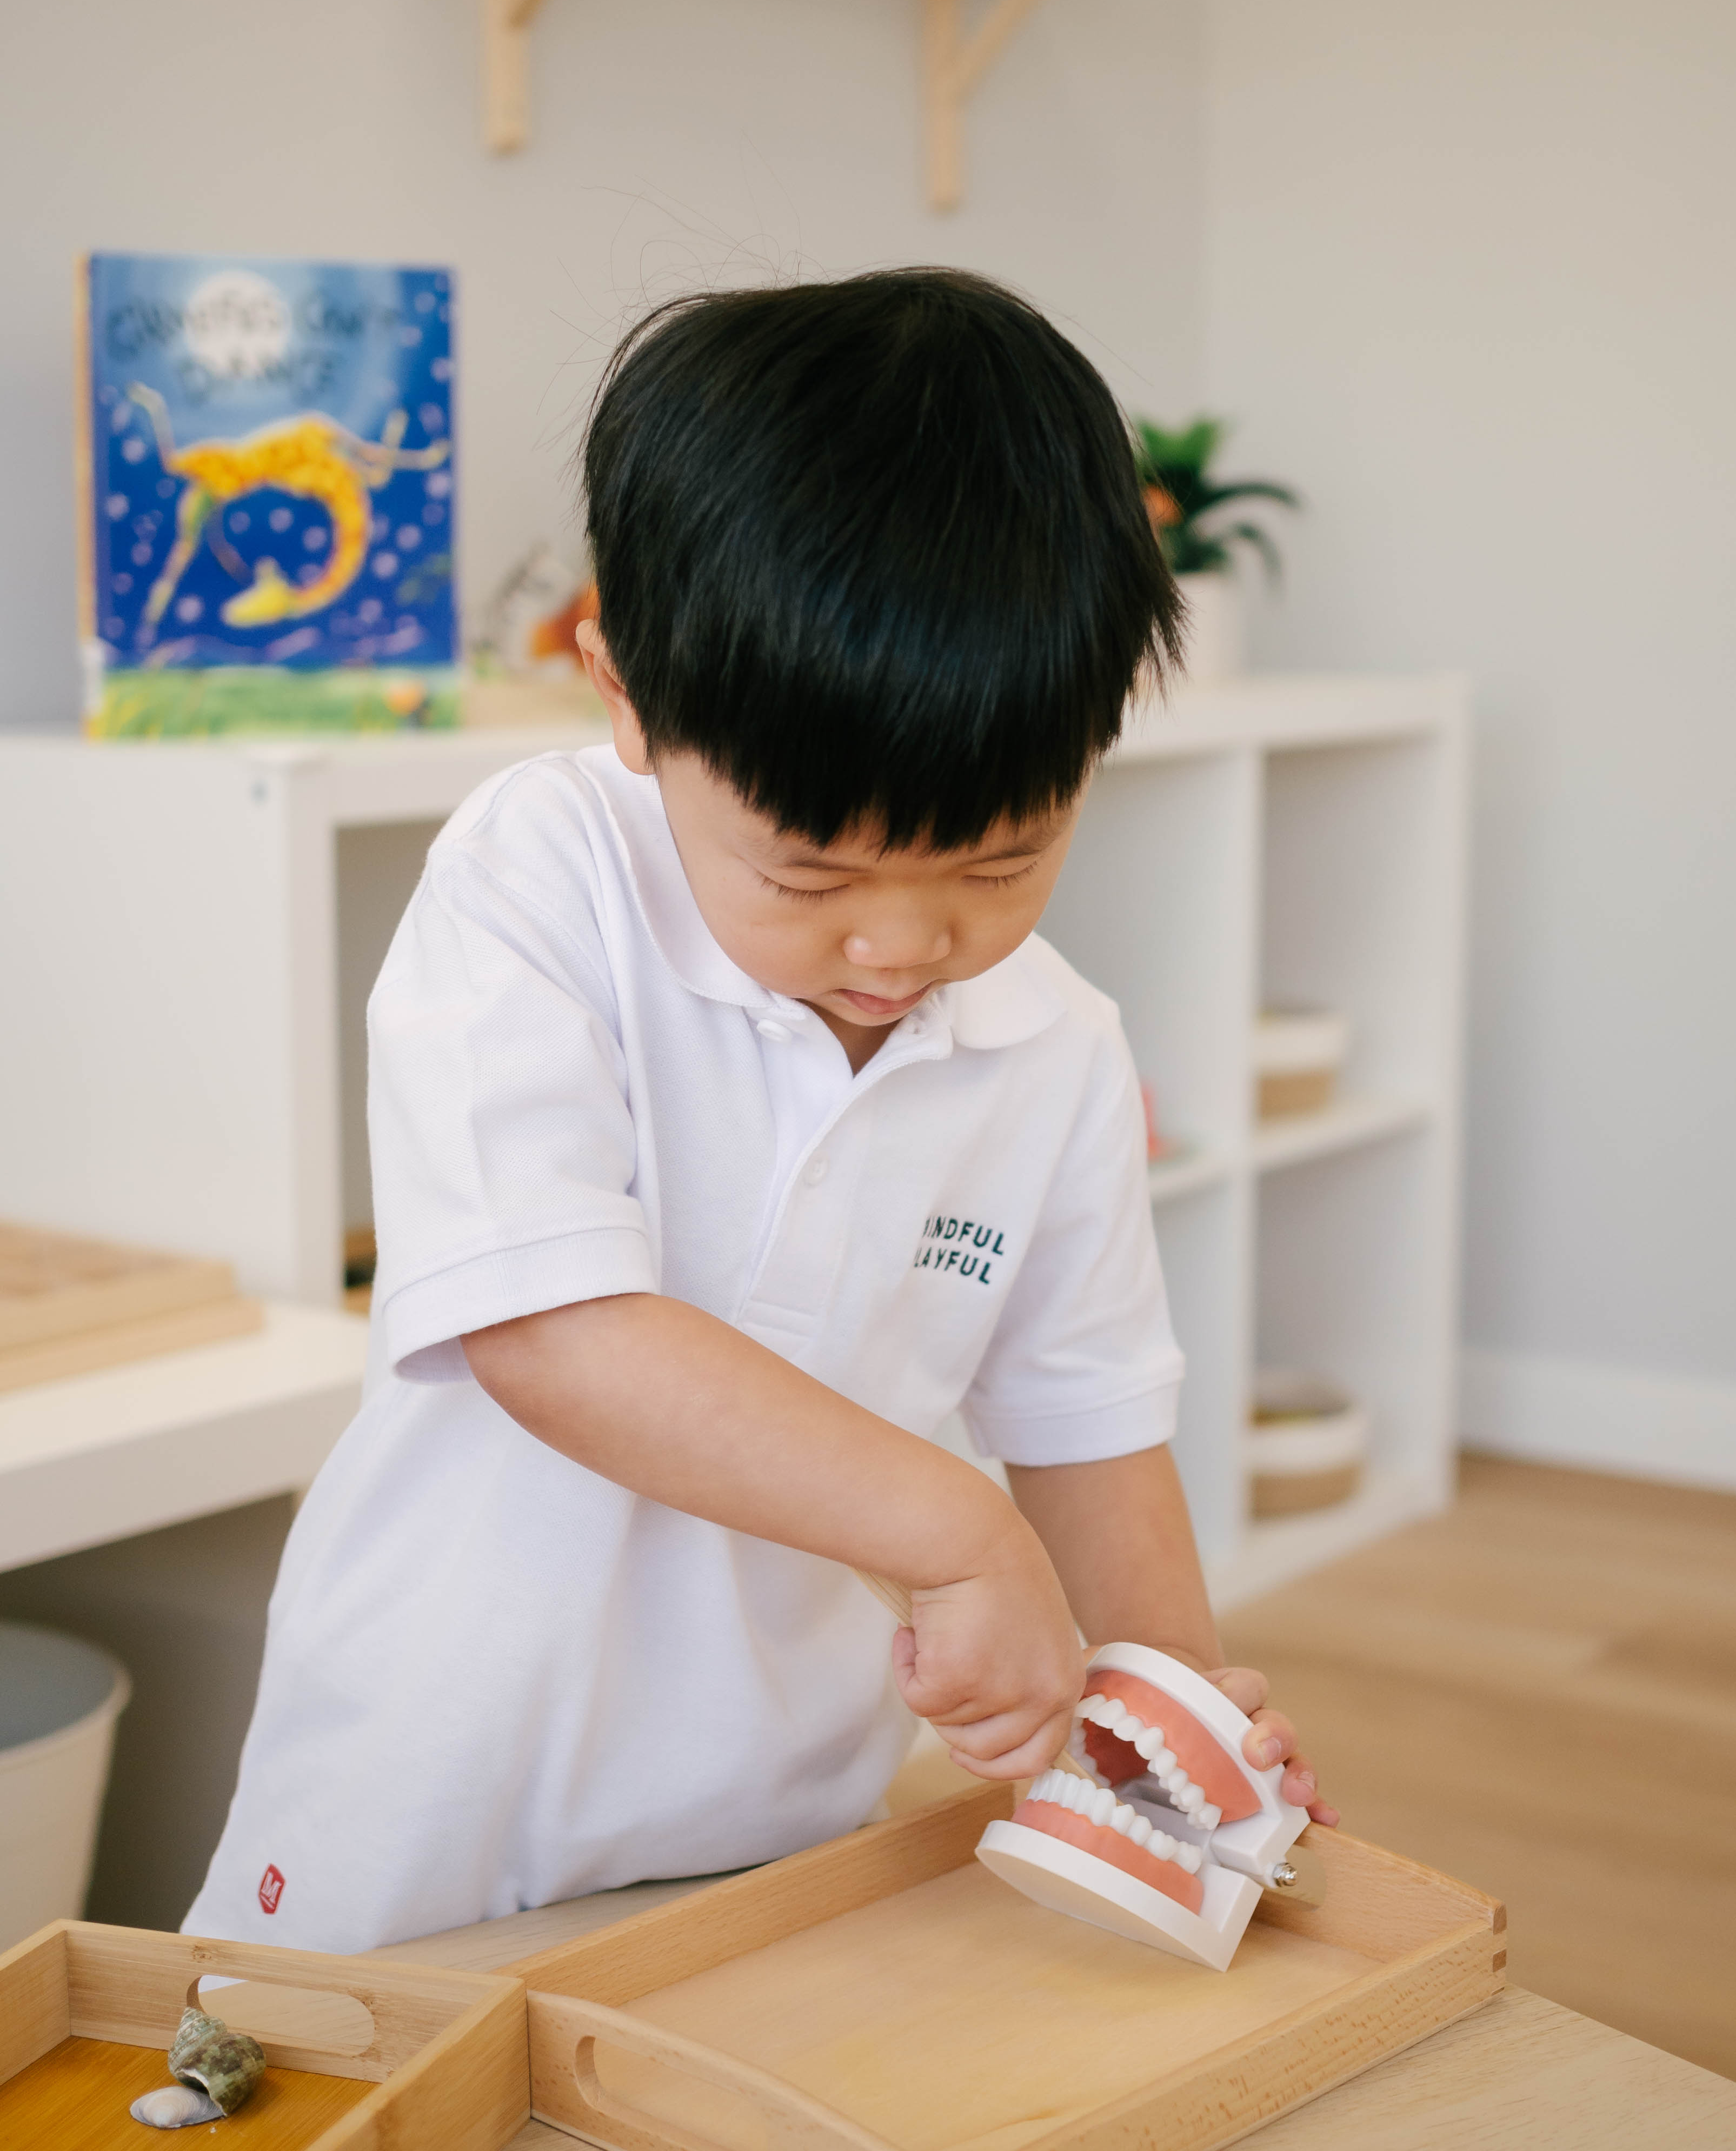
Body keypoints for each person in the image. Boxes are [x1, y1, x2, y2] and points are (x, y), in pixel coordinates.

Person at [185, 269, 1333, 1955]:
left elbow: (1090, 1430)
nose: (898, 943)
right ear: (629, 697)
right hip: (426, 1795)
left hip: (779, 1816)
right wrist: (956, 1530)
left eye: (998, 863)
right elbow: (553, 1329)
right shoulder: (539, 877)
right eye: (809, 871)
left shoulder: (1058, 1049)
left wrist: (1177, 1726)